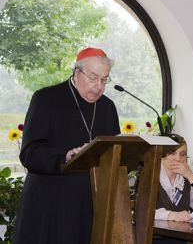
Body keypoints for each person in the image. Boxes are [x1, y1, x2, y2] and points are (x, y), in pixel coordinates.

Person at [13, 47, 120, 244]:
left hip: (91, 204)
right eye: (93, 77)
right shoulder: (46, 99)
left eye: (104, 80)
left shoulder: (107, 107)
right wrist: (66, 156)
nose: (99, 86)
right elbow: (29, 153)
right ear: (76, 72)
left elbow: (113, 153)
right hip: (50, 203)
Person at [153, 135, 193, 244]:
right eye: (172, 153)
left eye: (182, 154)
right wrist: (170, 215)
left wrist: (192, 177)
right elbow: (139, 212)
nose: (178, 158)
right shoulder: (149, 177)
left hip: (181, 238)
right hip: (154, 238)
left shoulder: (185, 180)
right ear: (161, 155)